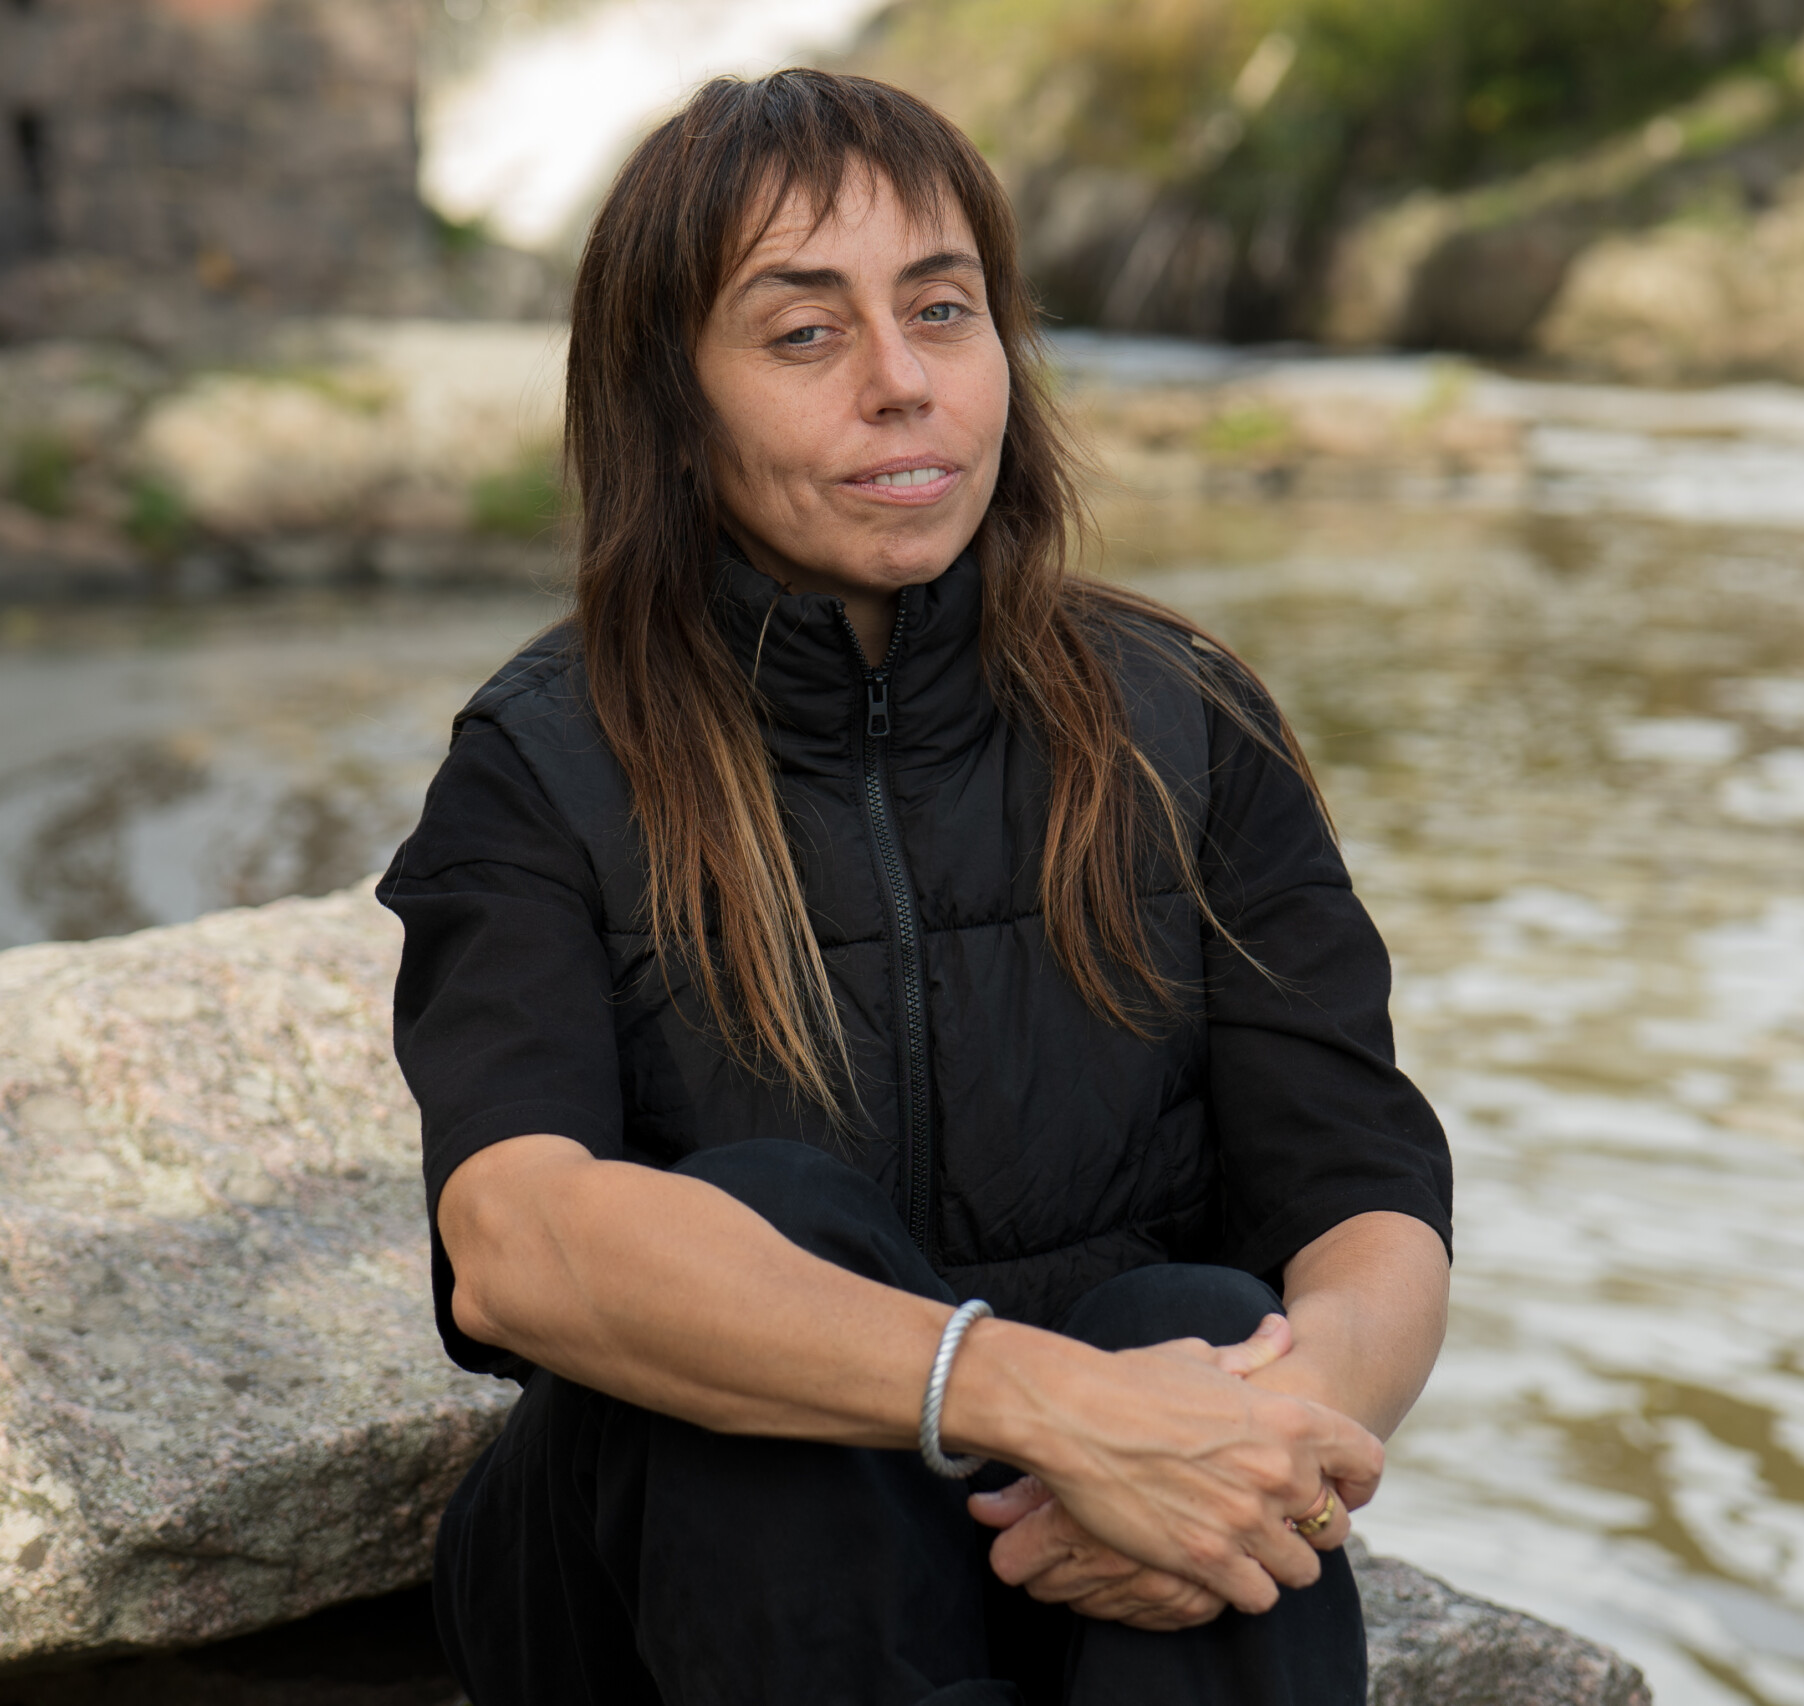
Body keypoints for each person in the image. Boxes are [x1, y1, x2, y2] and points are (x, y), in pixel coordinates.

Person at [375, 67, 1454, 1706]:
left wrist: (1261, 1450)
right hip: (667, 1577)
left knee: (1204, 1313)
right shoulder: (546, 762)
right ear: (673, 402)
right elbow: (517, 1236)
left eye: (943, 312)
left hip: (1082, 1544)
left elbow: (1367, 1204)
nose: (902, 384)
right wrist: (1026, 1395)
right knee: (760, 1239)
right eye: (804, 334)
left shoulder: (1183, 722)